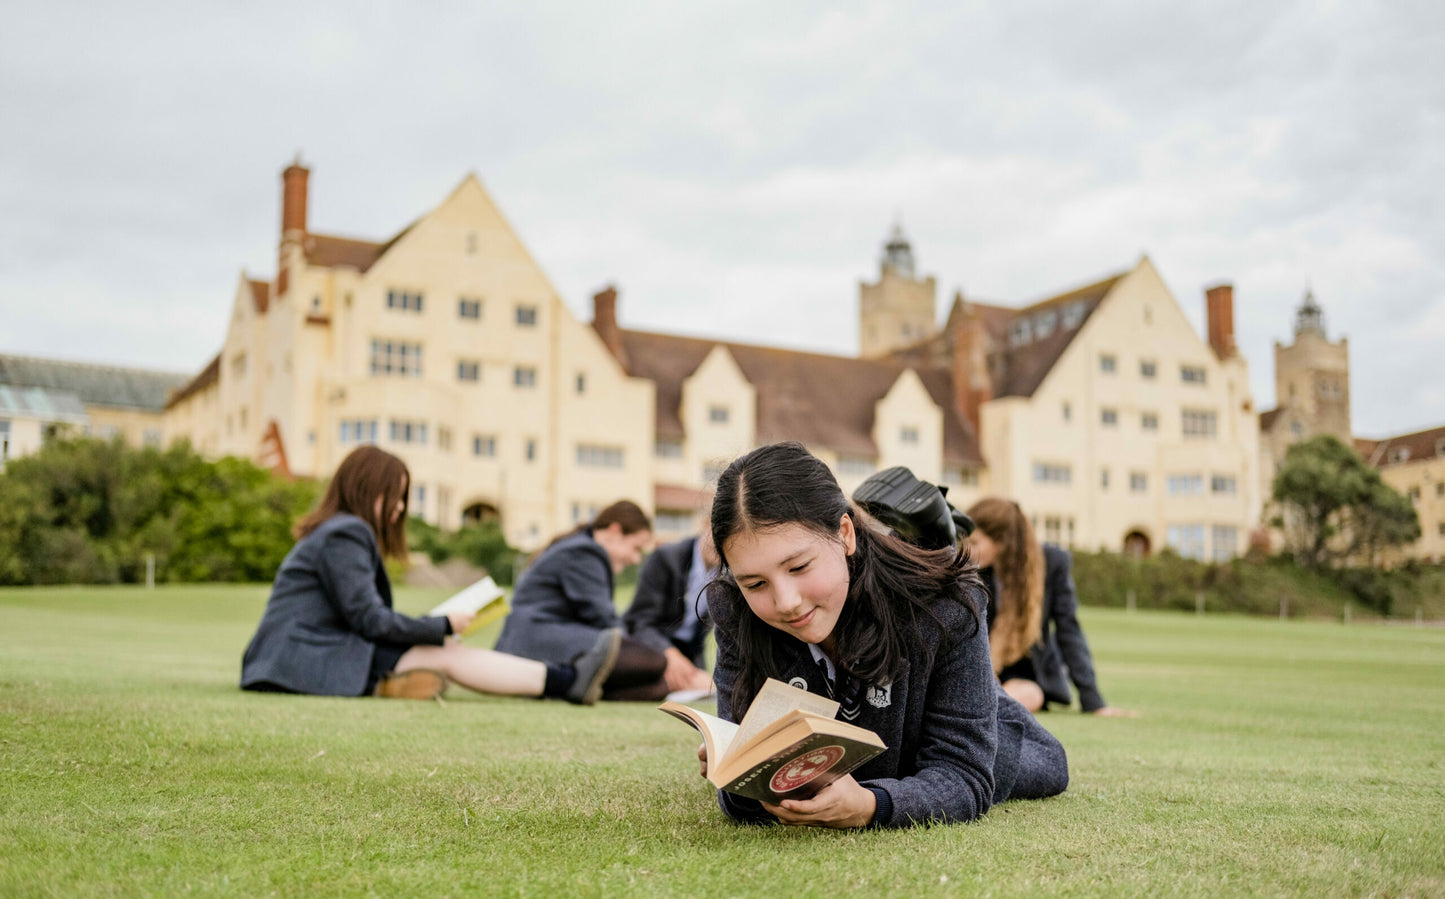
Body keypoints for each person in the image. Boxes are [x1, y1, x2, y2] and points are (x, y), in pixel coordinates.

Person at [701, 442, 1068, 829]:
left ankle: (931, 543)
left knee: (1044, 766)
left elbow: (964, 779)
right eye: (756, 583)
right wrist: (735, 771)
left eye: (799, 566)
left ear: (844, 534)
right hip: (870, 719)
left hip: (928, 693)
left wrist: (871, 805)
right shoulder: (735, 609)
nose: (786, 602)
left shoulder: (947, 605)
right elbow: (742, 799)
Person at [240, 445, 619, 705]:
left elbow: (362, 618)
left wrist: (437, 626)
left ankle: (564, 679)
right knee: (446, 652)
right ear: (365, 490)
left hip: (304, 654)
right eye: (395, 496)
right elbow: (369, 619)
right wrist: (441, 624)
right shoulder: (346, 532)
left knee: (442, 650)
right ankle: (566, 681)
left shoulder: (333, 531)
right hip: (305, 659)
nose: (400, 508)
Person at [964, 497, 1134, 717]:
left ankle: (981, 706)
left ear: (1002, 542)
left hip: (1030, 676)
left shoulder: (1052, 564)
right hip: (986, 670)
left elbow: (1068, 630)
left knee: (1031, 695)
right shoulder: (972, 572)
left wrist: (1093, 701)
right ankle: (980, 703)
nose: (967, 549)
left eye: (975, 542)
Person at [495, 501, 668, 700]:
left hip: (539, 638)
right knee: (654, 662)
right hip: (533, 640)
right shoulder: (585, 553)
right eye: (636, 548)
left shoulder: (579, 547)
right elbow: (606, 622)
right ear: (614, 531)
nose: (636, 559)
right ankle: (568, 687)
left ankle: (569, 689)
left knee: (659, 687)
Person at [622, 529, 720, 695]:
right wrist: (669, 655)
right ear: (705, 524)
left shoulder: (728, 573)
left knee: (708, 688)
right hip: (649, 647)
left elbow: (698, 637)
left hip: (687, 654)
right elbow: (640, 623)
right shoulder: (665, 559)